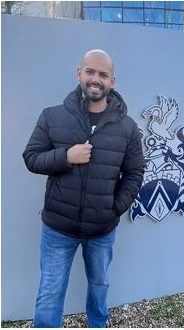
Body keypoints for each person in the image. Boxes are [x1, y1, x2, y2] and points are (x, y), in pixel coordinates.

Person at [22, 49, 145, 328]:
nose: (95, 79)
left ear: (112, 81)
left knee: (100, 287)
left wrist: (113, 209)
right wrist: (66, 156)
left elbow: (136, 172)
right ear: (79, 74)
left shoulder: (127, 127)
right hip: (57, 228)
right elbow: (31, 158)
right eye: (90, 71)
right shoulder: (52, 116)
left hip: (101, 230)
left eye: (103, 75)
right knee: (50, 292)